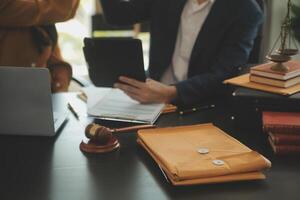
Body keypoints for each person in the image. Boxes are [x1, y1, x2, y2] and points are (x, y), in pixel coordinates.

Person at [100, 0, 263, 106]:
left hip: (200, 108)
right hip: (150, 102)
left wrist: (171, 93)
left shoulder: (245, 10)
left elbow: (225, 75)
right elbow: (117, 15)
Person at [0, 0, 79, 92]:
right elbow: (59, 9)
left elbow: (38, 29)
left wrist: (56, 66)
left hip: (31, 89)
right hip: (11, 91)